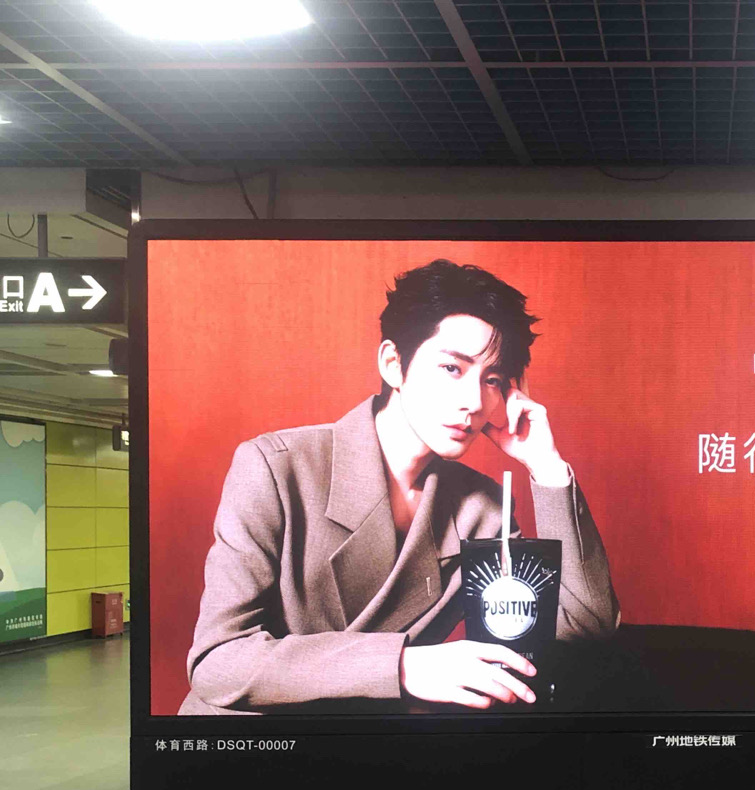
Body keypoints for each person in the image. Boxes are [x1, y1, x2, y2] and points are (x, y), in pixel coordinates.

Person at [181, 259, 619, 715]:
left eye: (492, 379)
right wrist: (402, 665)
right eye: (452, 368)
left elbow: (584, 627)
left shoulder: (482, 509)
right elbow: (217, 663)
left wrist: (545, 466)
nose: (474, 401)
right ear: (393, 363)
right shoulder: (276, 468)